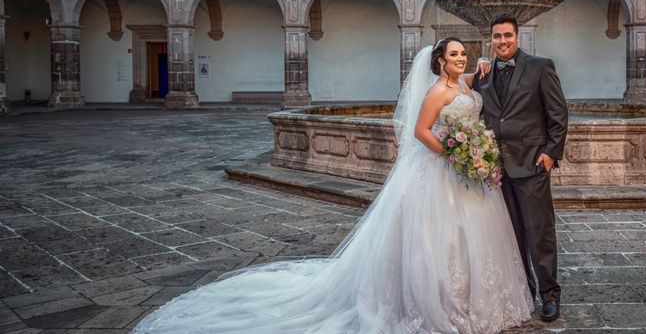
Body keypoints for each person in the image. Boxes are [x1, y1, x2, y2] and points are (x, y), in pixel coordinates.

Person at [133, 38, 533, 334]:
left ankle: (473, 296)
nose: (460, 59)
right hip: (444, 169)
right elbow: (419, 131)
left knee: (472, 238)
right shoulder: (437, 91)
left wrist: (478, 74)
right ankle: (436, 301)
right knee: (437, 238)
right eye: (453, 55)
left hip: (468, 173)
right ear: (439, 61)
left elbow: (472, 87)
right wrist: (453, 153)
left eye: (463, 53)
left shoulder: (464, 84)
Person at [472, 14, 568, 323]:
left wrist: (551, 152)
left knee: (539, 232)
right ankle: (523, 291)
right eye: (497, 36)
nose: (502, 41)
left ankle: (549, 294)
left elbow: (558, 112)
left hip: (531, 163)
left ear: (518, 37)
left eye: (508, 36)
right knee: (510, 235)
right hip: (496, 167)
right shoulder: (483, 74)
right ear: (491, 39)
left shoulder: (540, 66)